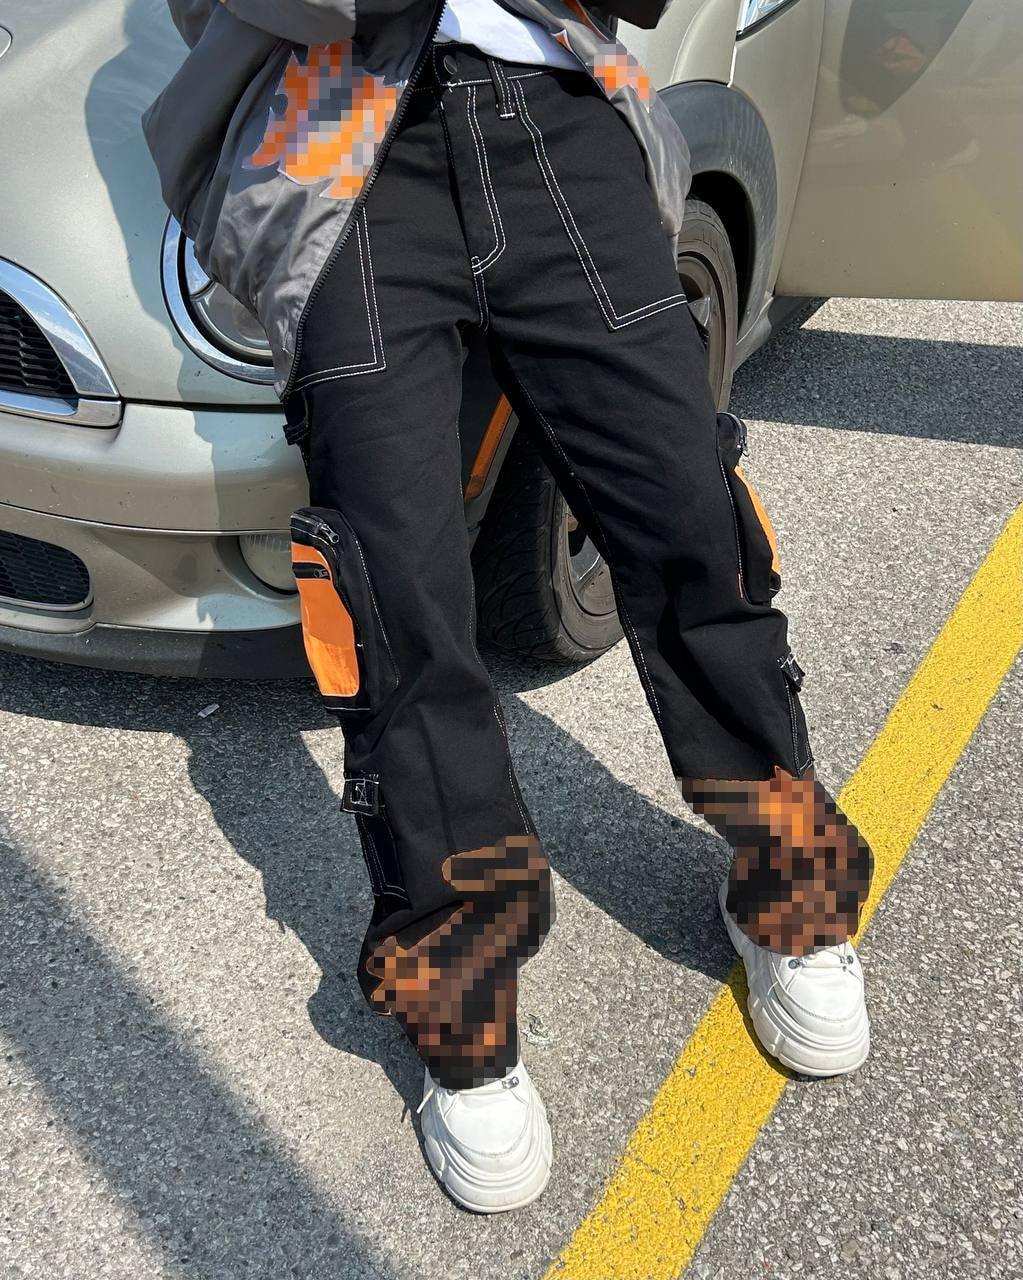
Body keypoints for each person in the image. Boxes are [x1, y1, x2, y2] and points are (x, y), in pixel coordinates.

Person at [144, 0, 874, 1214]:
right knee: (392, 595)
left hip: (557, 108)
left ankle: (789, 876)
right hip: (343, 145)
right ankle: (460, 987)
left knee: (690, 514)